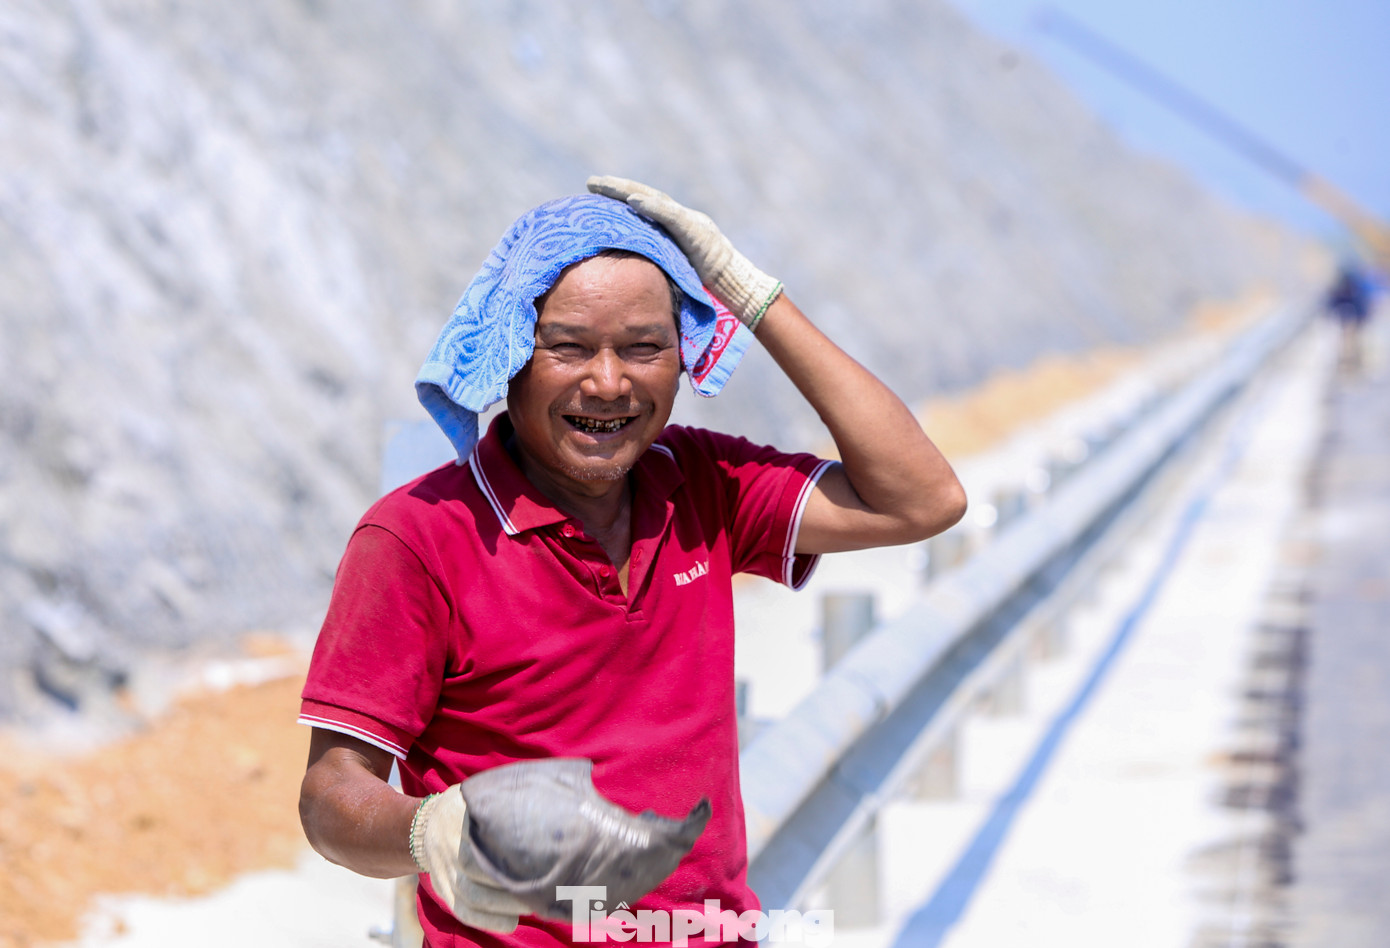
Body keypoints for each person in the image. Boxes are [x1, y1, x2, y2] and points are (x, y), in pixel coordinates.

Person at [297, 176, 968, 946]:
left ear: (683, 356)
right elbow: (330, 795)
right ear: (514, 349)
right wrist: (430, 833)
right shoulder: (419, 537)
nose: (608, 382)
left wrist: (751, 298)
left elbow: (922, 500)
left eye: (644, 347)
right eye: (569, 346)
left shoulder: (704, 485)